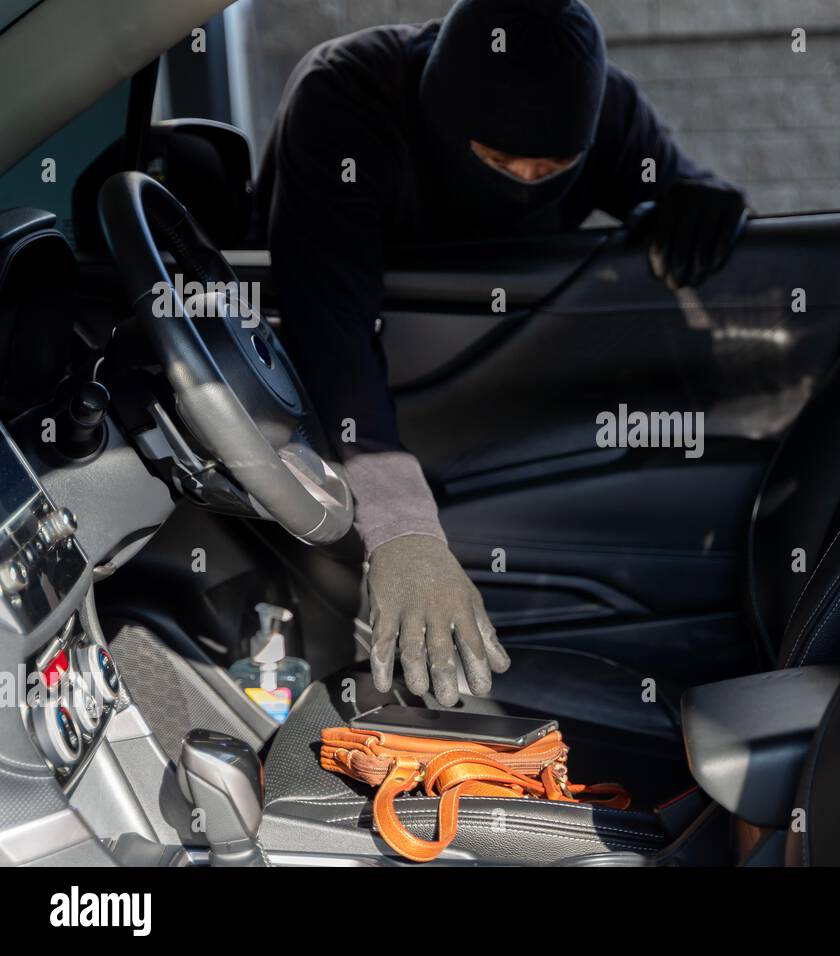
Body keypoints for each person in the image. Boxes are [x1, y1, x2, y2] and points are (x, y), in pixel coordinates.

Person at [258, 0, 748, 707]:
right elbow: (331, 329)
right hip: (326, 411)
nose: (523, 179)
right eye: (496, 160)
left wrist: (701, 203)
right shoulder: (346, 96)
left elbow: (678, 184)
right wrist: (403, 532)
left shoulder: (608, 111)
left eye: (552, 167)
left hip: (494, 411)